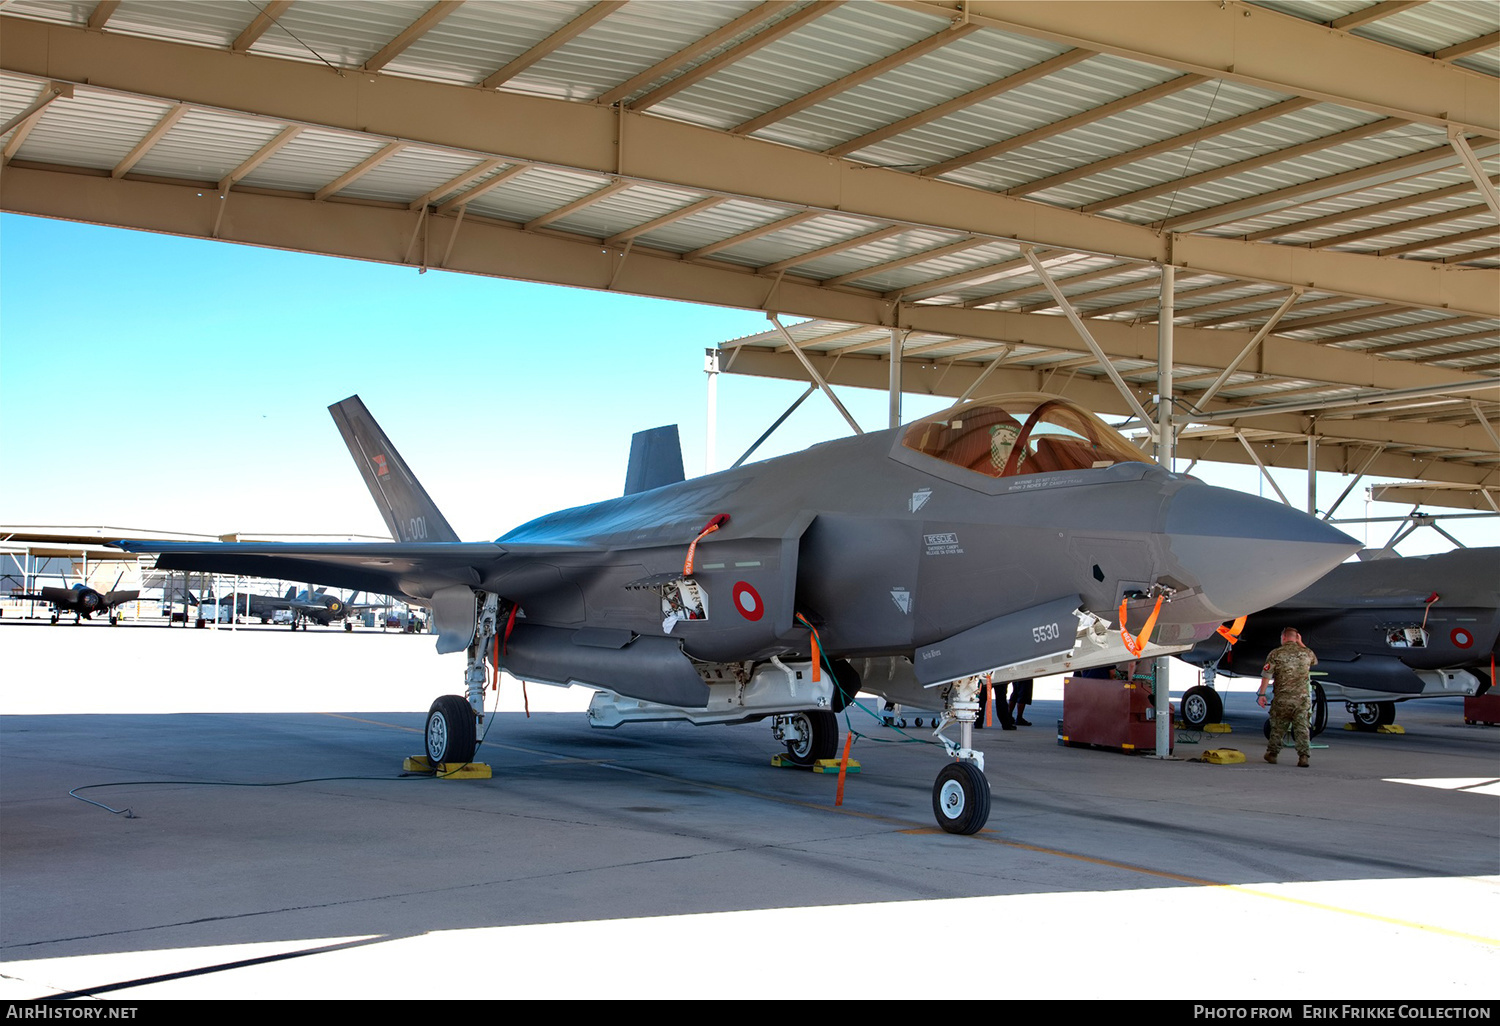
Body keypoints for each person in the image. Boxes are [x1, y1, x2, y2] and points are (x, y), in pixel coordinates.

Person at [1258, 627, 1318, 768]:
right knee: (1302, 727)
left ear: (1283, 637)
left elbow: (1267, 675)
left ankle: (1272, 754)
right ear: (1296, 638)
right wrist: (1301, 643)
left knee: (1278, 727)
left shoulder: (1275, 654)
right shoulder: (1306, 653)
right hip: (1302, 700)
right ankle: (1303, 757)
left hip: (1282, 699)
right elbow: (1314, 661)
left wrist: (1261, 694)